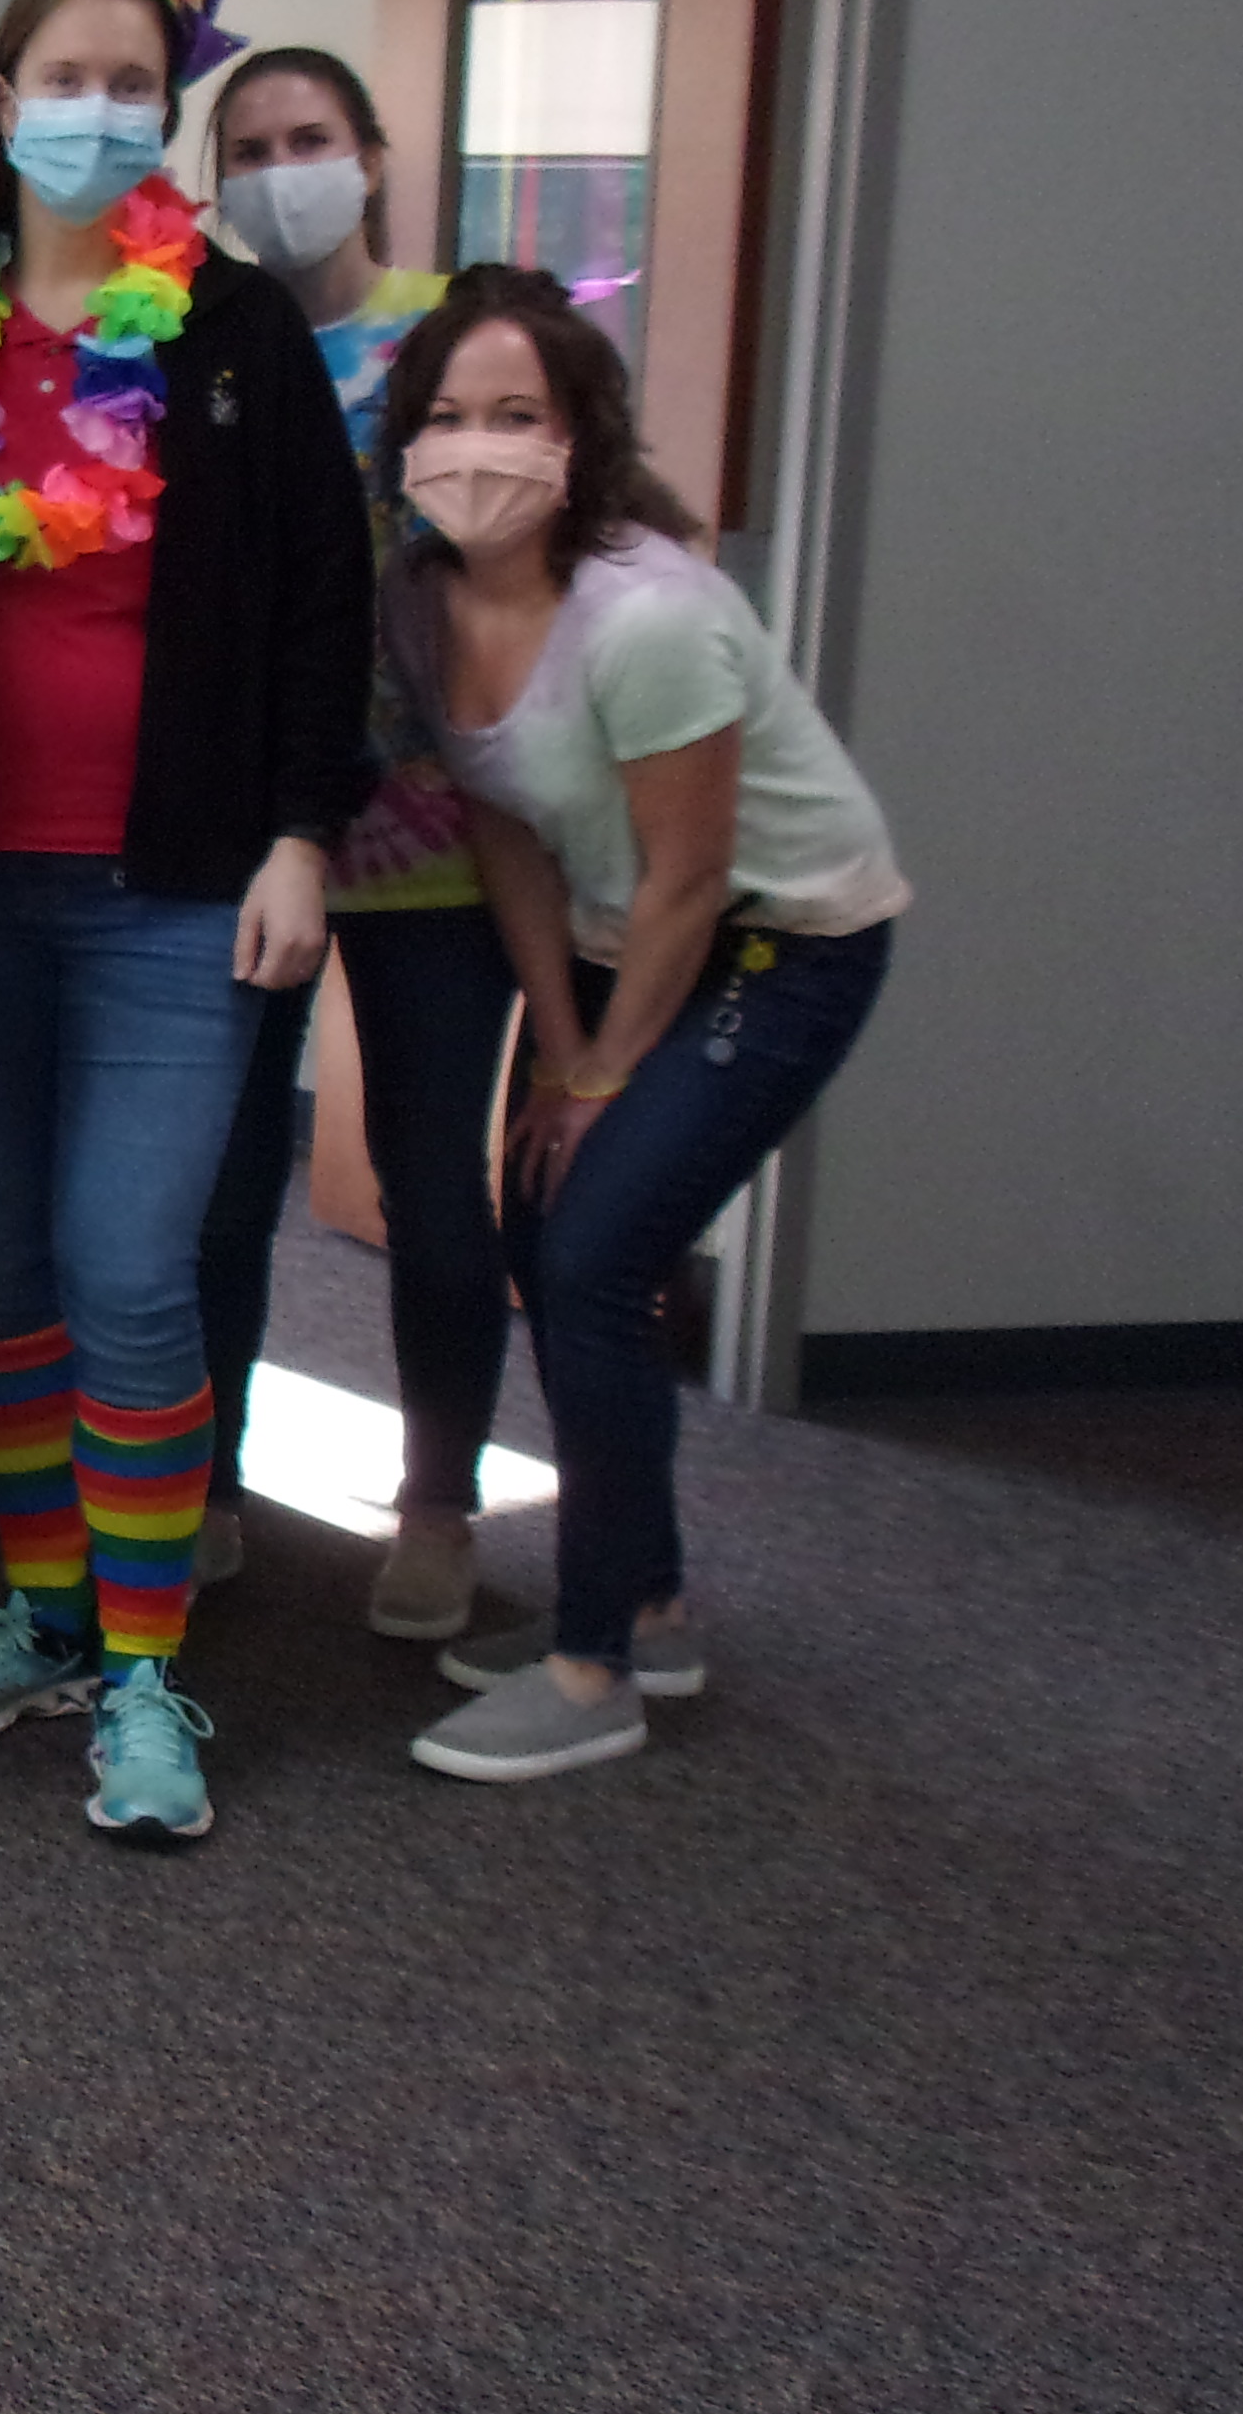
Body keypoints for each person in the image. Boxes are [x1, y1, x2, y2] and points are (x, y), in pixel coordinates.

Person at [0, 0, 371, 1846]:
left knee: (129, 1270)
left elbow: (328, 607)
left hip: (177, 888)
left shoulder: (232, 331)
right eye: (54, 75)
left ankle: (146, 1673)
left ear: (161, 109)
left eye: (123, 81)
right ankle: (45, 1612)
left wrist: (303, 835)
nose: (87, 109)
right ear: (0, 100)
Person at [375, 271, 907, 1783]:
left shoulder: (649, 615)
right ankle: (653, 1598)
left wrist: (606, 1076)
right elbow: (508, 836)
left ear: (580, 435)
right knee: (543, 1229)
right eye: (448, 417)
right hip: (610, 944)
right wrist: (556, 1044)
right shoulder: (421, 598)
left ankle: (594, 1658)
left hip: (782, 940)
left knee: (599, 1260)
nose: (479, 448)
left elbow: (691, 880)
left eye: (518, 418)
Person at [184, 44, 511, 1637]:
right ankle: (207, 1486)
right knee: (223, 1178)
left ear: (371, 155)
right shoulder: (207, 337)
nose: (279, 169)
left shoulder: (463, 334)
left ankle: (439, 1504)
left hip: (446, 840)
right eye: (246, 146)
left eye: (308, 139)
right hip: (259, 833)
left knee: (429, 1181)